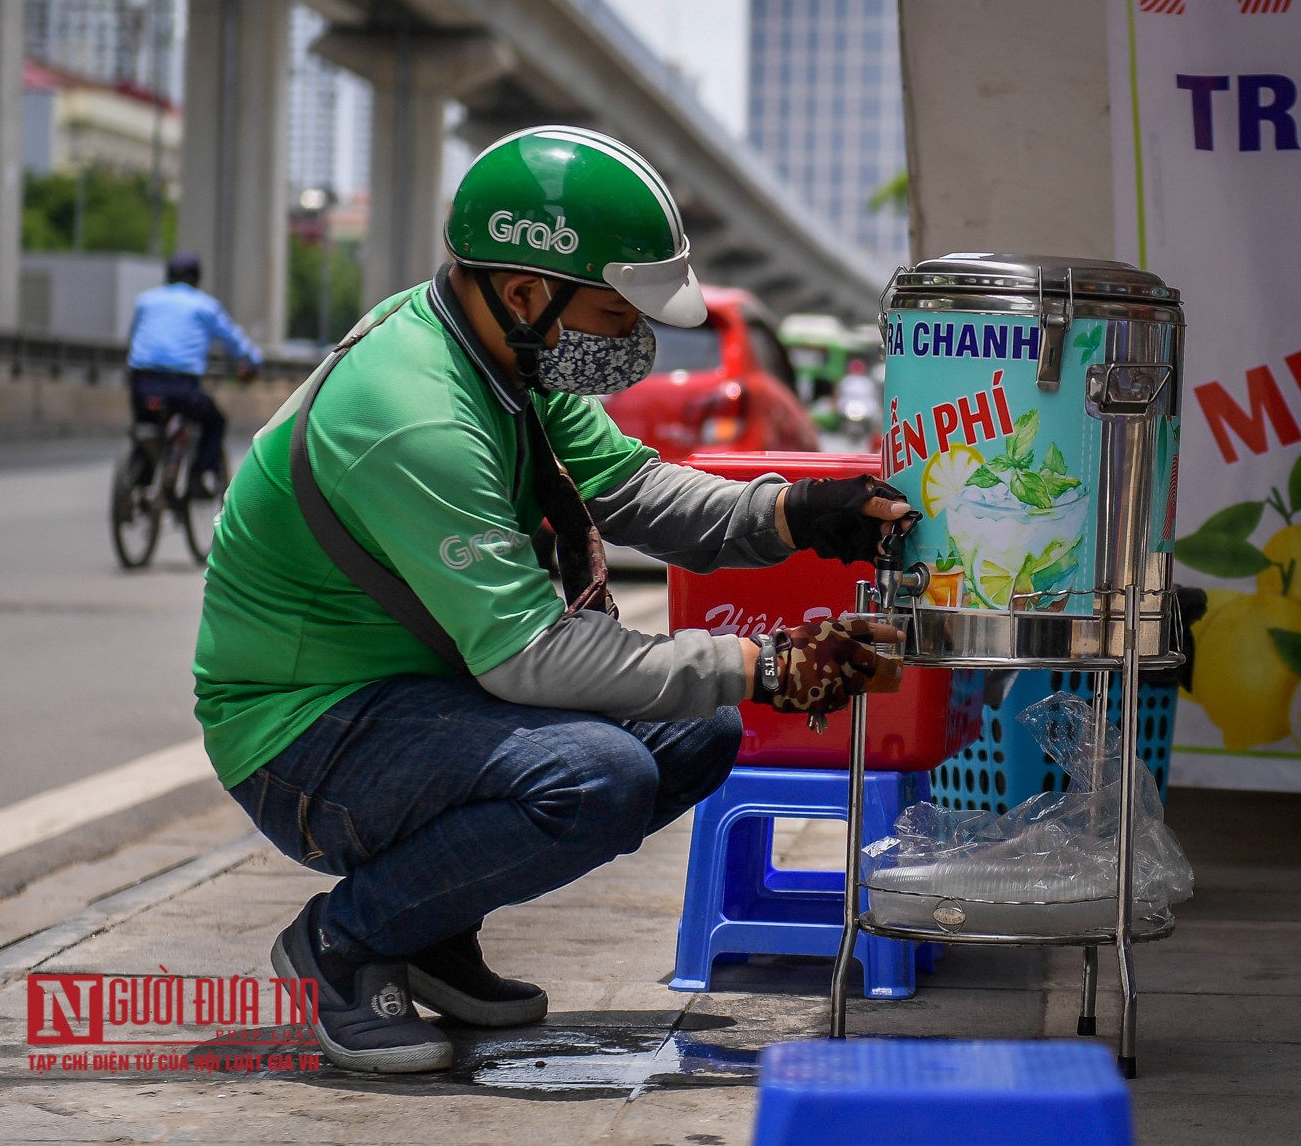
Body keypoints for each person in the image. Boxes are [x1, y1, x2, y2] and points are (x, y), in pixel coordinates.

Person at [193, 126, 911, 1075]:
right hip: (304, 733)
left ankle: (431, 931)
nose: (636, 340)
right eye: (619, 312)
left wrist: (792, 511)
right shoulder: (417, 414)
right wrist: (766, 665)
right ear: (528, 291)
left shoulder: (511, 355)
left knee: (698, 735)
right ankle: (341, 947)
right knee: (595, 775)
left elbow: (633, 492)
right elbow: (532, 655)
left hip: (419, 694)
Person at [126, 251, 262, 496]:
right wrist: (251, 362)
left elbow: (134, 337)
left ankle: (139, 479)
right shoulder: (204, 306)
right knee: (215, 422)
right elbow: (234, 341)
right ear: (197, 278)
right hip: (182, 386)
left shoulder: (145, 301)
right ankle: (199, 477)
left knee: (146, 423)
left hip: (142, 381)